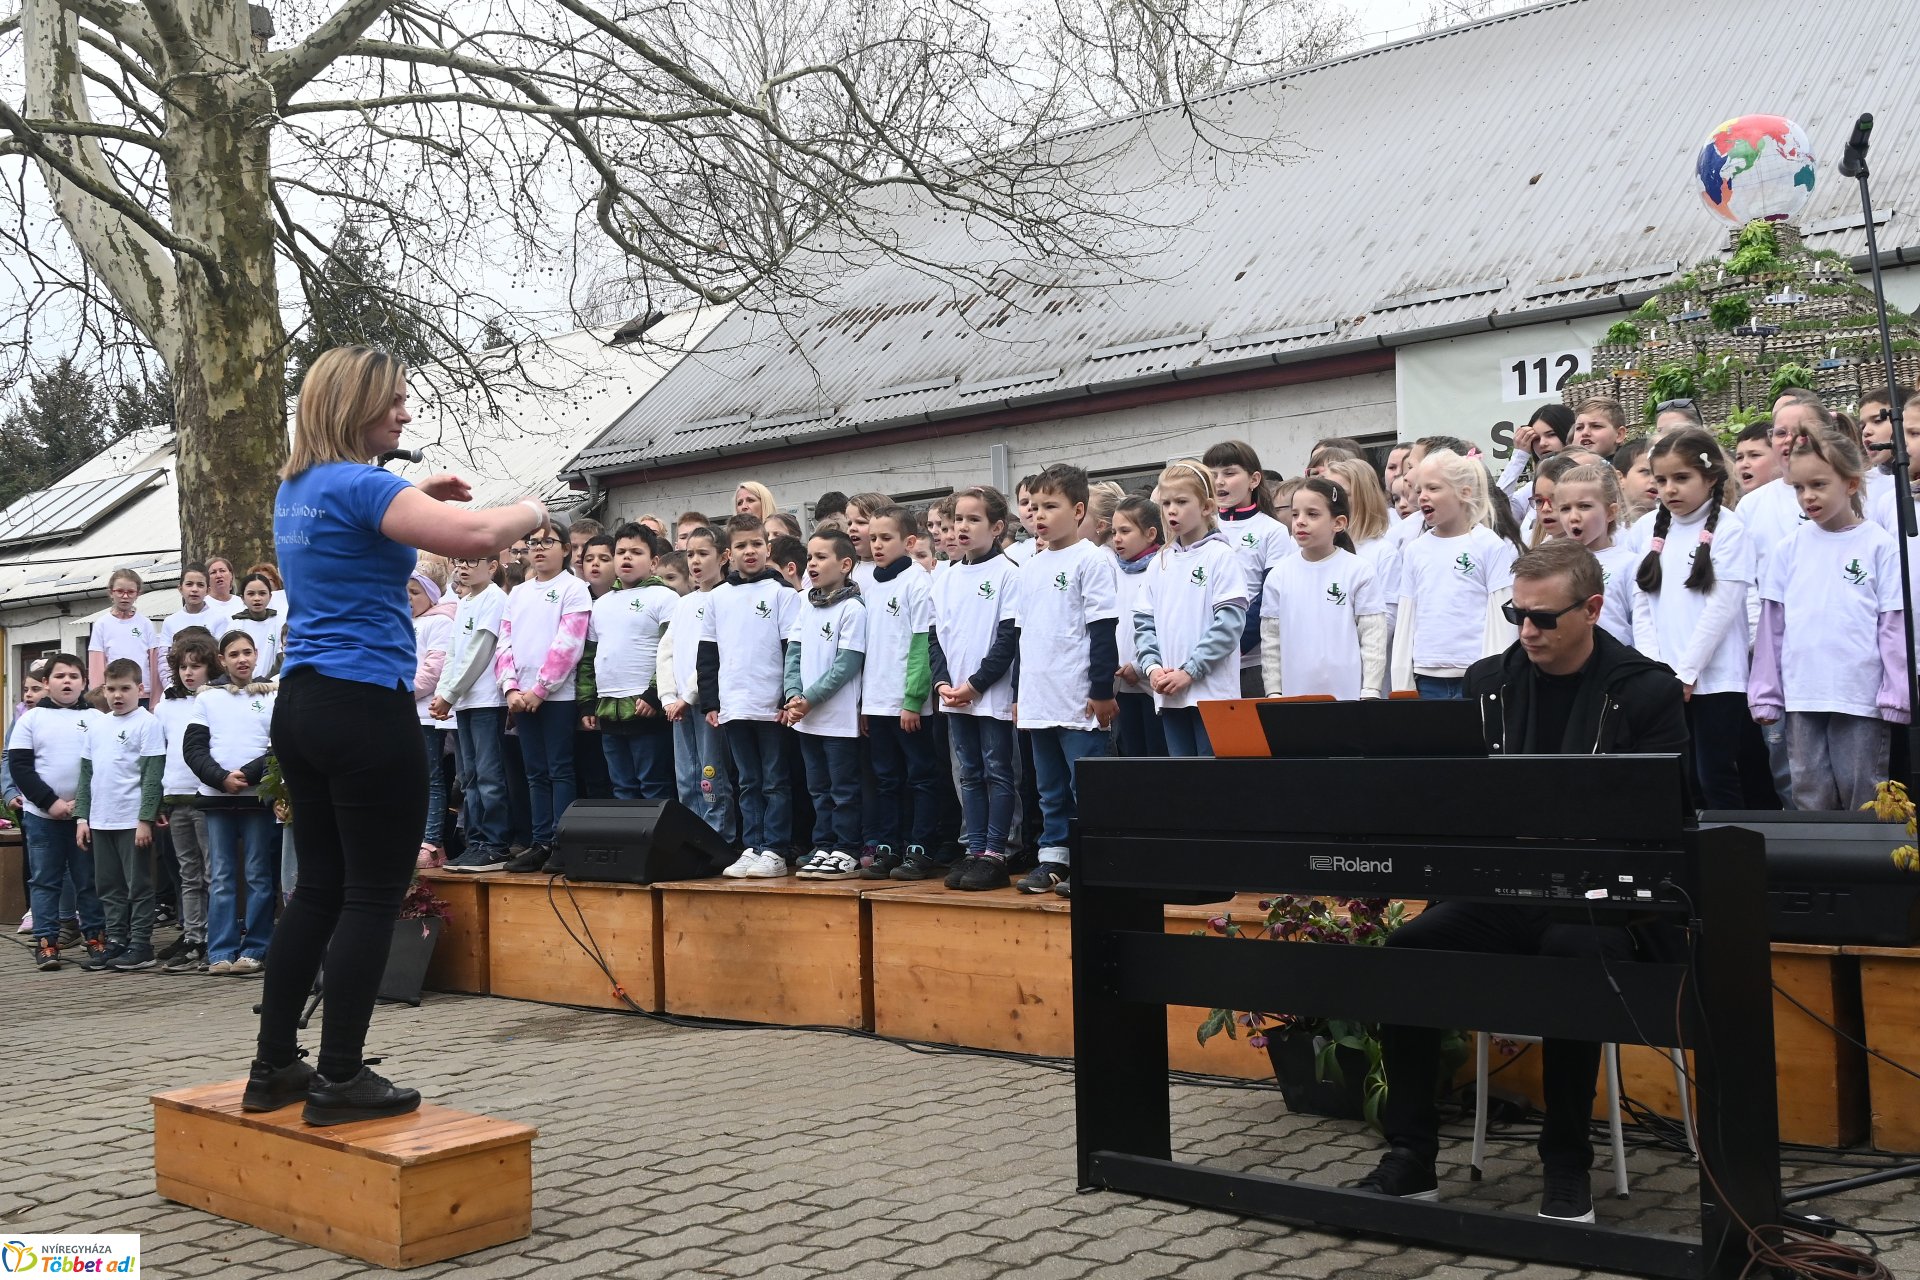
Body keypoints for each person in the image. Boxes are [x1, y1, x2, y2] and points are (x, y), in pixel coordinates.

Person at [256, 344, 548, 1125]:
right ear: (356, 407)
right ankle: (341, 1078)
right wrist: (537, 509)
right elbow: (481, 539)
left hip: (304, 704)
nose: (407, 413)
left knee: (316, 888)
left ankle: (274, 1067)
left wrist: (413, 493)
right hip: (363, 709)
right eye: (394, 402)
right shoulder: (361, 483)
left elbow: (358, 531)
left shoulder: (299, 487)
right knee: (372, 894)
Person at [1360, 538, 1688, 1225]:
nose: (1527, 631)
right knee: (1408, 956)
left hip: (1599, 901)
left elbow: (1663, 816)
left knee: (1574, 964)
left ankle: (1566, 1162)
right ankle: (1411, 1157)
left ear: (1593, 609)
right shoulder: (1489, 681)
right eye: (1517, 614)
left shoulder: (1645, 689)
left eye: (1544, 618)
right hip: (1500, 889)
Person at [1750, 424, 1908, 810]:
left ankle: (1869, 871)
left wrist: (1896, 690)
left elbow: (1893, 624)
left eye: (1819, 485)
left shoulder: (1878, 545)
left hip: (1859, 694)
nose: (1808, 497)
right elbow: (1772, 626)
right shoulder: (1789, 549)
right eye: (1800, 488)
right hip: (1803, 695)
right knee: (1808, 792)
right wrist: (1766, 693)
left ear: (1851, 484)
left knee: (1865, 792)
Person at [1629, 428, 1756, 809]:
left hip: (1716, 680)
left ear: (1711, 477)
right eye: (1662, 479)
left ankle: (1728, 858)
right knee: (1678, 779)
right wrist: (1655, 669)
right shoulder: (1645, 529)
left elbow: (1720, 609)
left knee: (1715, 775)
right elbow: (1642, 604)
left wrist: (1687, 673)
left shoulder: (1730, 530)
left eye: (1681, 478)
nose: (1669, 489)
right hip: (1666, 679)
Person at [1009, 465, 1119, 896]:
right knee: (1048, 787)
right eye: (1033, 507)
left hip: (1078, 699)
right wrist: (1020, 693)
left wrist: (1101, 691)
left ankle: (1095, 859)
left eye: (1050, 506)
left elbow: (1103, 630)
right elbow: (1023, 636)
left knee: (1084, 784)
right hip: (1039, 698)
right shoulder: (1030, 567)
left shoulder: (1091, 560)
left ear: (1078, 510)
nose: (1039, 516)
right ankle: (1053, 859)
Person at [700, 514, 802, 878]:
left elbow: (792, 649)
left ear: (768, 548)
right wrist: (711, 702)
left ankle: (775, 848)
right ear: (729, 553)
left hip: (771, 706)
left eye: (756, 544)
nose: (750, 551)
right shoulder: (718, 598)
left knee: (775, 780)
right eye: (741, 546)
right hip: (734, 705)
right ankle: (752, 845)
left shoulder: (782, 594)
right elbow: (708, 653)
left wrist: (787, 698)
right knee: (747, 780)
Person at [930, 486, 1022, 890]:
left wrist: (976, 684)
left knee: (997, 771)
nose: (962, 528)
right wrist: (944, 682)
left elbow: (1008, 639)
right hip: (955, 695)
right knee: (968, 773)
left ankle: (996, 852)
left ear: (997, 527)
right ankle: (974, 849)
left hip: (990, 694)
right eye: (958, 520)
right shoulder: (946, 577)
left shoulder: (1008, 574)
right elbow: (936, 638)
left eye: (973, 520)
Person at [496, 515, 591, 873]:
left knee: (560, 770)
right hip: (521, 697)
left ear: (566, 550)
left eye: (546, 543)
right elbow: (504, 642)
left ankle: (561, 841)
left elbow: (569, 643)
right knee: (534, 772)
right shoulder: (518, 593)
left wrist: (540, 688)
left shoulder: (573, 588)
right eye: (533, 544)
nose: (538, 549)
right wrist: (510, 688)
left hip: (556, 697)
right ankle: (539, 841)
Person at [1134, 461, 1249, 755]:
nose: (1171, 510)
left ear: (1207, 506)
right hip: (1170, 695)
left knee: (1212, 786)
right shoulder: (1160, 561)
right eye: (1166, 503)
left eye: (1182, 502)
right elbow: (1144, 623)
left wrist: (1190, 671)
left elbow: (1229, 624)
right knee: (1184, 787)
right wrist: (1154, 668)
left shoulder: (1221, 556)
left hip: (1212, 696)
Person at [184, 630, 277, 978]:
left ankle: (255, 949)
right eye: (234, 654)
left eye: (248, 652)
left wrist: (249, 775)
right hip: (217, 800)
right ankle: (220, 950)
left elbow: (278, 746)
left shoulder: (271, 695)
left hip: (256, 799)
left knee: (257, 875)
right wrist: (220, 777)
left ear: (256, 656)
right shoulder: (207, 699)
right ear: (222, 660)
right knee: (221, 876)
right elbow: (193, 748)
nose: (242, 659)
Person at [1389, 450, 1519, 699]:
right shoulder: (1415, 550)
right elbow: (1407, 615)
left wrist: (1495, 677)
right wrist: (1402, 681)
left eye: (1433, 488)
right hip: (1426, 677)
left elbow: (1501, 616)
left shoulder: (1487, 544)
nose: (1422, 497)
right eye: (1419, 490)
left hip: (1474, 676)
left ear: (1465, 492)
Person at [8, 653, 106, 971]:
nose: (67, 681)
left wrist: (82, 804)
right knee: (45, 882)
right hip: (42, 816)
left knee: (88, 880)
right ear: (47, 683)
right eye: (60, 676)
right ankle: (47, 943)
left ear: (84, 682)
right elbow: (20, 767)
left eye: (74, 676)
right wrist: (51, 803)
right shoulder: (30, 720)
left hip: (84, 816)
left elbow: (104, 766)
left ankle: (95, 938)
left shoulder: (96, 719)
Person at [859, 506, 940, 880]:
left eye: (885, 538)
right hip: (875, 701)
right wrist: (863, 703)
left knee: (920, 778)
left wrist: (912, 700)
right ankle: (888, 847)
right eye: (873, 538)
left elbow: (922, 645)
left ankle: (920, 848)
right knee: (886, 779)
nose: (877, 545)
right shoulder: (866, 584)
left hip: (908, 705)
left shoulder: (917, 582)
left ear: (908, 542)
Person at [783, 529, 867, 879]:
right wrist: (792, 695)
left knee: (843, 788)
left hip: (837, 718)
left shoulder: (852, 608)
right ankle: (824, 843)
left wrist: (810, 699)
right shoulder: (807, 603)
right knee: (818, 786)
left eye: (821, 557)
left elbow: (847, 663)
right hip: (806, 717)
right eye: (810, 557)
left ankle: (847, 848)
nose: (812, 564)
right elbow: (794, 653)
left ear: (845, 564)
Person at [74, 657, 165, 971]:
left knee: (137, 884)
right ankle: (116, 940)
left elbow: (152, 775)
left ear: (139, 688)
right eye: (111, 688)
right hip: (101, 820)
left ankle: (141, 943)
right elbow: (86, 776)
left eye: (125, 688)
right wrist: (82, 818)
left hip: (131, 820)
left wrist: (145, 819)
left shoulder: (147, 723)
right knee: (108, 885)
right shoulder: (97, 726)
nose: (117, 695)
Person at [1260, 478, 1387, 700]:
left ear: (1338, 523)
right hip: (1294, 698)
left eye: (1312, 514)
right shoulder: (1279, 575)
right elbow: (1271, 642)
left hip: (1349, 697)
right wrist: (1274, 692)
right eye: (1295, 514)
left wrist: (1371, 691)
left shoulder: (1359, 570)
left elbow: (1373, 636)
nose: (1300, 522)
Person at [581, 524, 678, 801]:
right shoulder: (600, 604)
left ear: (654, 561)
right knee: (621, 787)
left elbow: (671, 650)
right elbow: (590, 658)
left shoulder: (665, 597)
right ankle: (632, 845)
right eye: (621, 551)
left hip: (646, 706)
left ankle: (658, 844)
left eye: (636, 552)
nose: (627, 558)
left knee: (654, 784)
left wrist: (654, 694)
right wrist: (587, 702)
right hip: (608, 707)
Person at [433, 552, 512, 873]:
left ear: (492, 567)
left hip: (486, 702)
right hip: (462, 703)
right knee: (468, 778)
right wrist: (445, 691)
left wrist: (450, 693)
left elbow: (482, 649)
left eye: (471, 561)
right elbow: (453, 651)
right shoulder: (464, 600)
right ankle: (475, 842)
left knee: (489, 776)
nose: (462, 566)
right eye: (459, 561)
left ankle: (495, 844)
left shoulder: (494, 598)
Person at [659, 524, 738, 847]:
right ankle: (690, 838)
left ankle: (718, 838)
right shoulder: (684, 603)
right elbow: (667, 650)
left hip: (706, 702)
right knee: (686, 775)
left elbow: (712, 656)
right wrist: (668, 696)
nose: (695, 561)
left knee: (711, 773)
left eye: (703, 554)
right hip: (678, 704)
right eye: (690, 554)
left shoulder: (727, 597)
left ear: (723, 557)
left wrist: (689, 694)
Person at [1205, 440, 1288, 697]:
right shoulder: (1199, 527)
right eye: (1212, 475)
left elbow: (1271, 596)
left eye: (1229, 473)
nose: (1219, 482)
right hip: (1201, 658)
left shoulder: (1272, 531)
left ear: (1253, 479)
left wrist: (1234, 644)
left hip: (1251, 659)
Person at [155, 635, 217, 972]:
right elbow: (159, 752)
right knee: (188, 875)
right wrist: (159, 802)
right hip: (176, 797)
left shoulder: (216, 699)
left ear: (210, 666)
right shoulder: (165, 705)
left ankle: (215, 938)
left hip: (205, 796)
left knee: (212, 873)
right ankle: (193, 938)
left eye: (196, 666)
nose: (189, 673)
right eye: (183, 667)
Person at [1552, 463, 1635, 647]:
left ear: (1611, 512)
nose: (1573, 516)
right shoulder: (1553, 564)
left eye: (1584, 506)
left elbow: (1642, 625)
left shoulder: (1629, 564)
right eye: (1565, 508)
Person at [1109, 495, 1167, 758]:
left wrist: (1141, 666)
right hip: (1122, 684)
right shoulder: (1112, 570)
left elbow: (1162, 626)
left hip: (1153, 683)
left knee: (1156, 754)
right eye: (1113, 532)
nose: (1116, 539)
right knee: (1131, 757)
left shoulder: (1161, 568)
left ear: (1150, 533)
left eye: (1125, 531)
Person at [407, 568, 456, 865]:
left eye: (414, 592)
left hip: (426, 714)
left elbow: (432, 669)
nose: (407, 598)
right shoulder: (400, 623)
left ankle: (432, 840)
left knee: (431, 777)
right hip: (402, 713)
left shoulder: (439, 622)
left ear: (431, 594)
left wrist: (399, 692)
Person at [158, 564, 229, 691]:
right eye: (189, 584)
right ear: (180, 588)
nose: (194, 589)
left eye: (200, 585)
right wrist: (171, 687)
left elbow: (221, 656)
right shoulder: (170, 621)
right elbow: (164, 659)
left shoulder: (219, 619)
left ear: (208, 590)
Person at [90, 568, 156, 703]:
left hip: (142, 694)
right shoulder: (102, 624)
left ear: (138, 594)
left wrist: (155, 700)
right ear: (111, 592)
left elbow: (154, 663)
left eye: (130, 592)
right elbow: (96, 666)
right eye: (120, 591)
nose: (125, 596)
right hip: (114, 695)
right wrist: (100, 699)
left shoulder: (145, 623)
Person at [1731, 421, 1779, 496]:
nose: (1744, 464)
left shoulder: (1800, 501)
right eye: (1739, 458)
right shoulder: (1743, 505)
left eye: (1754, 455)